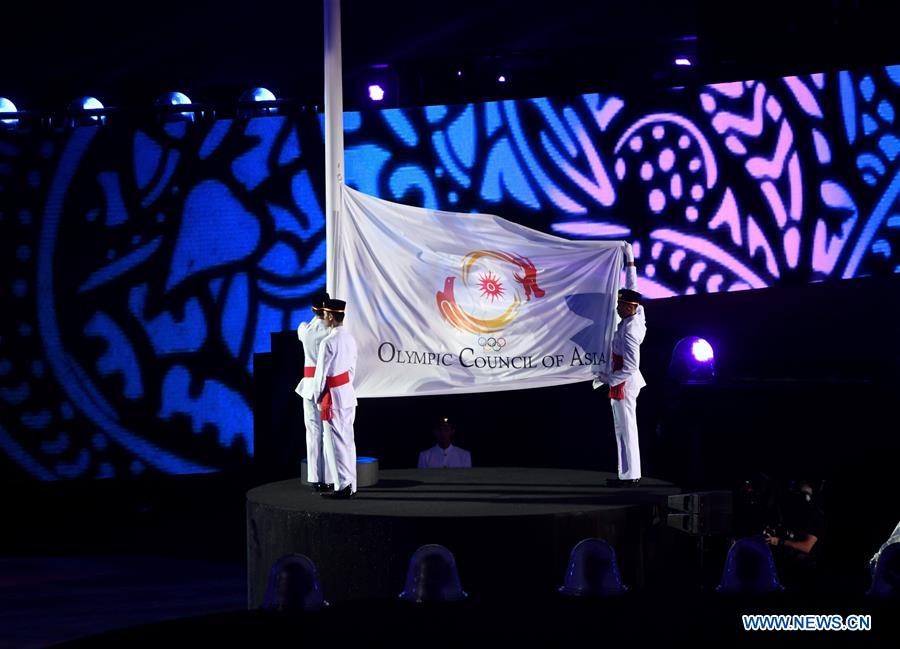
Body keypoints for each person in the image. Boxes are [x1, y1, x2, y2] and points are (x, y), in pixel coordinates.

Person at [593, 242, 646, 487]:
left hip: (624, 381)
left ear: (628, 308)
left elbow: (631, 366)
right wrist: (630, 259)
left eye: (620, 305)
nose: (616, 307)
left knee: (625, 430)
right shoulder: (636, 312)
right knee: (622, 429)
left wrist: (608, 379)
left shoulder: (630, 332)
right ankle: (627, 473)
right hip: (621, 379)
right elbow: (633, 288)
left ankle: (630, 475)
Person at [313, 298, 358, 499]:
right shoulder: (350, 339)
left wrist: (317, 396)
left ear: (330, 316)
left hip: (333, 396)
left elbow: (320, 375)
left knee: (336, 442)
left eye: (324, 314)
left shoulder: (328, 342)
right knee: (348, 441)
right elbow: (352, 370)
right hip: (347, 393)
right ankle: (351, 483)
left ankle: (343, 486)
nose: (323, 317)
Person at [295, 291, 333, 491]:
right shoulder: (330, 332)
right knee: (327, 434)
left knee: (313, 433)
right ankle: (328, 476)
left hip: (309, 385)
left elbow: (301, 329)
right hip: (325, 386)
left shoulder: (305, 329)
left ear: (313, 309)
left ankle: (315, 477)